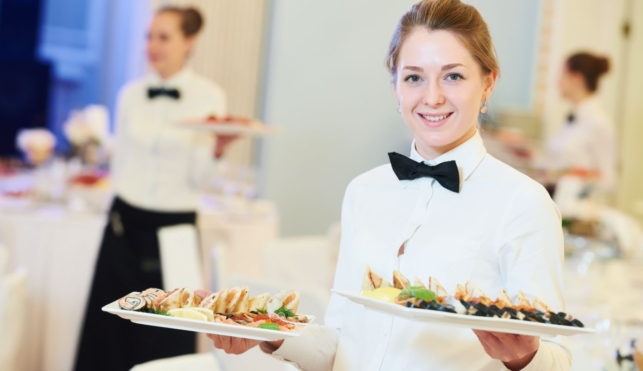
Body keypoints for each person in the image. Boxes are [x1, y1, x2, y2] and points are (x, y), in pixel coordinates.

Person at [209, 0, 570, 370]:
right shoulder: (363, 192)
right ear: (395, 84)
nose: (432, 97)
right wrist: (271, 332)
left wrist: (526, 357)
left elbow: (557, 355)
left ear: (488, 83)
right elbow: (341, 346)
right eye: (414, 77)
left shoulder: (523, 203)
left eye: (453, 76)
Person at [74, 6, 233, 371]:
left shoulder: (210, 96)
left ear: (189, 42)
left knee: (171, 332)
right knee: (109, 333)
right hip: (123, 225)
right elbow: (120, 164)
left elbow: (200, 180)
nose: (152, 45)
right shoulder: (129, 94)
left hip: (175, 229)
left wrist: (219, 150)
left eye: (164, 37)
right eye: (149, 36)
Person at [547, 52, 616, 193]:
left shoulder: (599, 123)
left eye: (563, 75)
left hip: (576, 208)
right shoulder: (573, 118)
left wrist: (575, 177)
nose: (558, 82)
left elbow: (609, 180)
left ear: (577, 79)